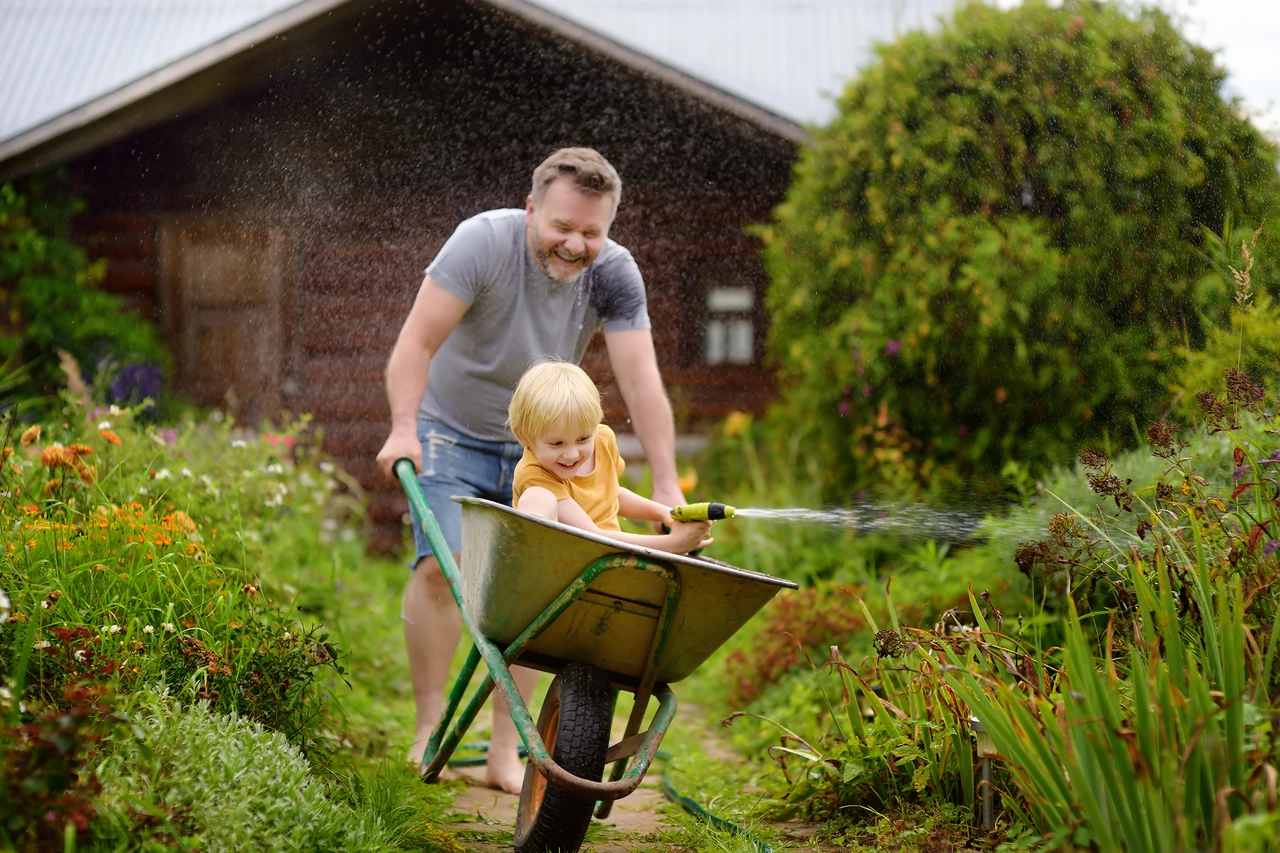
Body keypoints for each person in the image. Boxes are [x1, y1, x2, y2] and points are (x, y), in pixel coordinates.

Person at [374, 148, 685, 794]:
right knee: (440, 569)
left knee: (535, 597)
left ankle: (503, 753)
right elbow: (415, 343)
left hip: (544, 451)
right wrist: (404, 426)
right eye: (562, 226)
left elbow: (641, 380)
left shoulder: (615, 274)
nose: (576, 244)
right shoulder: (480, 244)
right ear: (531, 208)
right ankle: (429, 726)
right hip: (449, 429)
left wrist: (667, 484)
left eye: (592, 232)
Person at [508, 361, 712, 552]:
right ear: (524, 436)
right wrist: (673, 544)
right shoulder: (533, 474)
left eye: (583, 439)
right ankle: (532, 566)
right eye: (557, 443)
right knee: (538, 499)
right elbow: (592, 536)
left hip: (608, 562)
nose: (572, 453)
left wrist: (664, 513)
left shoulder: (603, 440)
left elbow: (612, 493)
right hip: (570, 564)